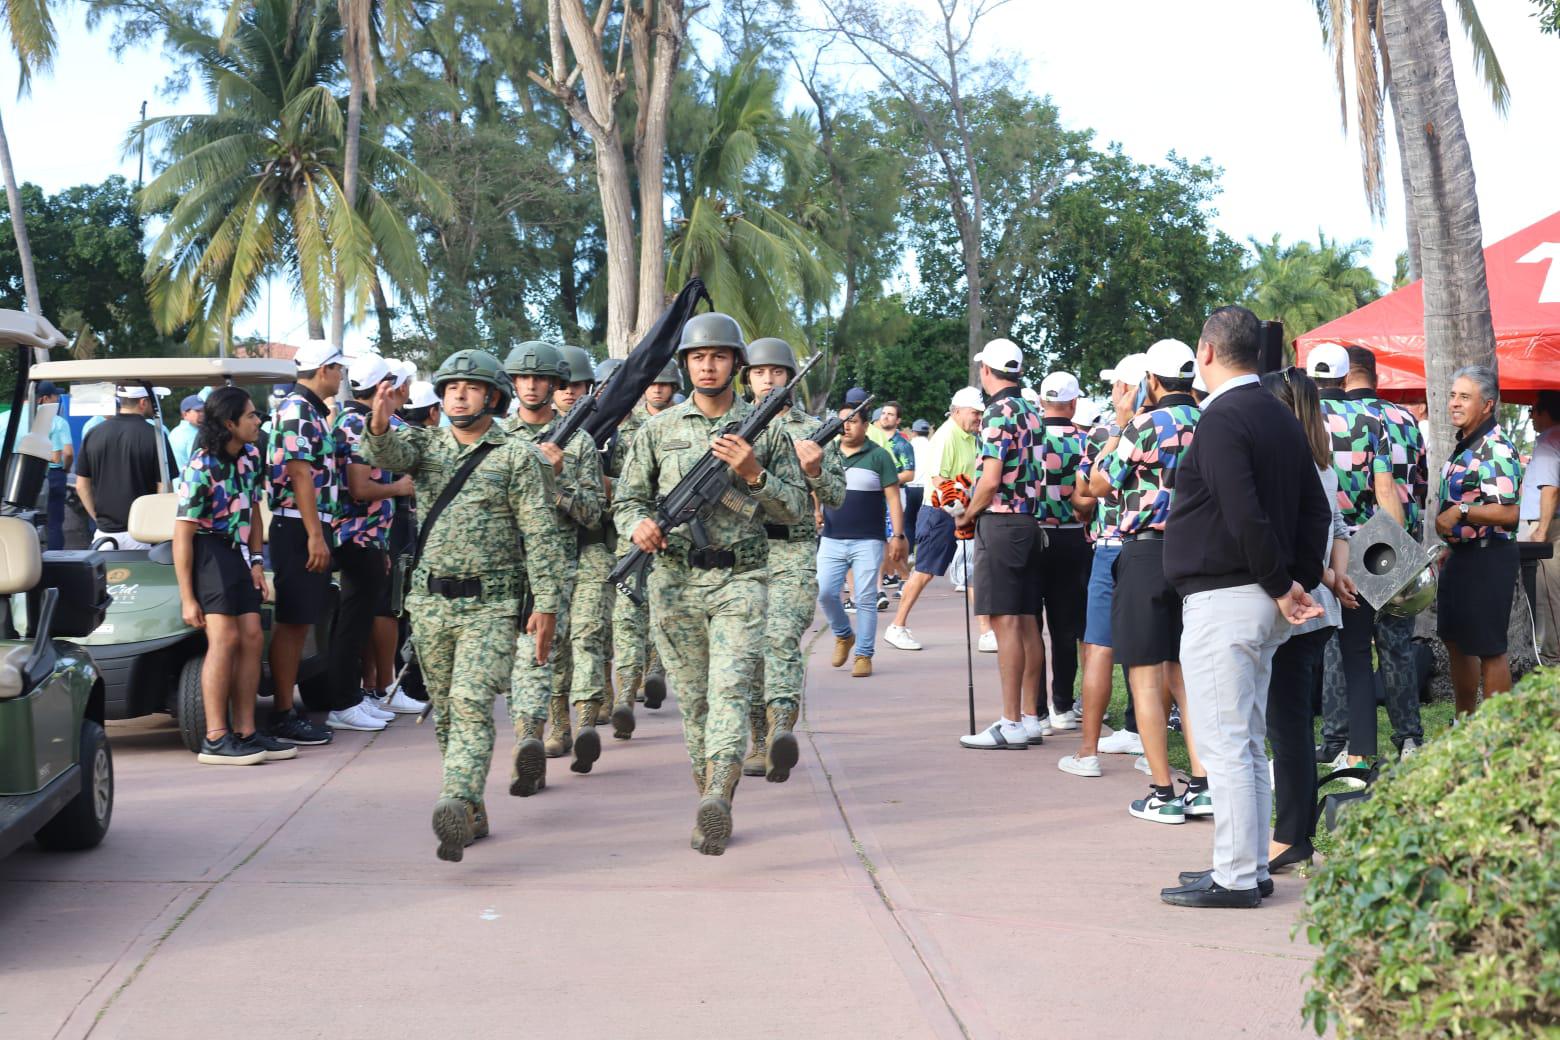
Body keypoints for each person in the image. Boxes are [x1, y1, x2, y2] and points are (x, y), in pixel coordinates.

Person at [615, 312, 812, 854]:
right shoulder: (657, 430)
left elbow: (795, 510)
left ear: (735, 365)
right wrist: (638, 525)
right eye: (698, 358)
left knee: (729, 690)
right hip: (674, 579)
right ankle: (708, 792)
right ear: (685, 365)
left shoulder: (767, 431)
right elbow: (627, 498)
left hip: (741, 578)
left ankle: (720, 794)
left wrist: (753, 475)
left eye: (719, 357)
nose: (707, 365)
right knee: (696, 701)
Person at [364, 349, 566, 861]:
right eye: (451, 386)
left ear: (492, 397)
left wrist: (546, 605)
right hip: (430, 605)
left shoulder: (516, 455)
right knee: (450, 714)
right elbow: (387, 455)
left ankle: (454, 799)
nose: (458, 393)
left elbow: (541, 533)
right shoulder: (426, 446)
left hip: (493, 605)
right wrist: (380, 423)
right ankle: (472, 807)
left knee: (474, 703)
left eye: (471, 387)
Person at [1160, 306, 1330, 908]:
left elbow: (1243, 511)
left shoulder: (1225, 417)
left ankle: (1235, 874)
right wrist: (1296, 580)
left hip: (1230, 597)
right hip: (1258, 597)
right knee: (1247, 739)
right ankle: (1250, 866)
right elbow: (1318, 511)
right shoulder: (1280, 416)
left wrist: (1285, 584)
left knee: (1228, 742)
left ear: (1206, 352)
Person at [1088, 338, 1211, 820]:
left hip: (1144, 554)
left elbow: (1100, 485)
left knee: (1144, 677)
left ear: (1151, 382)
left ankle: (1162, 793)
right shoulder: (1210, 420)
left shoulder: (1143, 424)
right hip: (1198, 556)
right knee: (1187, 678)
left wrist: (1120, 429)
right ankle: (1202, 783)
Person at [1258, 367, 1351, 876]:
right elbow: (1335, 526)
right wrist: (1335, 578)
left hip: (1299, 608)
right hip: (1320, 607)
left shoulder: (1292, 465)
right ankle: (1293, 833)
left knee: (1287, 727)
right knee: (1290, 724)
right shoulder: (1322, 463)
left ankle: (1292, 836)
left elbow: (1300, 536)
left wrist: (1323, 576)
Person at [174, 386, 297, 766]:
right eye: (250, 416)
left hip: (239, 554)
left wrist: (258, 562)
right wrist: (187, 597)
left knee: (252, 636)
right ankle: (215, 737)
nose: (257, 421)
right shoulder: (201, 466)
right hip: (210, 552)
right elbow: (183, 534)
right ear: (230, 423)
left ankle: (246, 731)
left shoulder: (249, 457)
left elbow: (253, 512)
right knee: (224, 639)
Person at [503, 340, 604, 785]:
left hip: (559, 563)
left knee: (551, 650)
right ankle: (537, 733)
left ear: (554, 384)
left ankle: (548, 729)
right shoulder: (497, 436)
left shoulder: (578, 441)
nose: (530, 386)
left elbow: (594, 512)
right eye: (523, 378)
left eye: (539, 378)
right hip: (506, 564)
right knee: (525, 655)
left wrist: (558, 479)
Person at [743, 339, 844, 779]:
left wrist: (817, 471)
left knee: (780, 637)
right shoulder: (732, 426)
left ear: (790, 378)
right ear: (747, 378)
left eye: (776, 372)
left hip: (794, 548)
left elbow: (836, 496)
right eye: (759, 372)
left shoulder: (813, 429)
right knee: (746, 648)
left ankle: (781, 729)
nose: (768, 380)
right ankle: (758, 740)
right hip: (743, 551)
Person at [1308, 341, 1403, 770]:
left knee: (1304, 652)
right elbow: (1387, 495)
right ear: (1347, 379)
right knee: (1358, 653)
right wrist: (1398, 556)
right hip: (1365, 546)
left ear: (1311, 379)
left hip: (1313, 543)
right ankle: (1361, 754)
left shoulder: (1299, 419)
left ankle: (1316, 746)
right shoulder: (1371, 419)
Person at [1057, 354, 1148, 779]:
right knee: (1162, 655)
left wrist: (1116, 435)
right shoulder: (1187, 425)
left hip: (1114, 548)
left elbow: (1087, 491)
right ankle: (1148, 749)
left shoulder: (1108, 434)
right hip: (1161, 549)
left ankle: (1088, 752)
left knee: (1099, 649)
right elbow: (1081, 497)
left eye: (1116, 387)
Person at [958, 338, 1047, 750]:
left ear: (987, 371)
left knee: (1007, 622)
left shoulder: (997, 411)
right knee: (1027, 620)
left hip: (1002, 521)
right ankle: (1029, 717)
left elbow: (990, 479)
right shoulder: (1031, 408)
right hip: (1029, 522)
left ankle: (1011, 721)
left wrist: (968, 513)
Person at [1340, 346, 1427, 758]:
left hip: (1349, 543)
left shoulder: (1335, 419)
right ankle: (1409, 736)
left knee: (1344, 647)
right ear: (1374, 375)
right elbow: (1420, 485)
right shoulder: (1407, 419)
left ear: (1343, 375)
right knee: (1396, 644)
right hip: (1397, 541)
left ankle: (1340, 738)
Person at [327, 355, 419, 732]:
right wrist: (398, 487)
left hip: (370, 536)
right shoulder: (355, 423)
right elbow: (360, 487)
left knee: (361, 618)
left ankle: (357, 696)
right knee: (352, 623)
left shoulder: (358, 420)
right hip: (355, 536)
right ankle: (343, 701)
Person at [263, 340, 345, 747]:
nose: (342, 376)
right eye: (338, 368)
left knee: (299, 621)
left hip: (307, 524)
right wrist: (315, 534)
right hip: (298, 526)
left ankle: (285, 709)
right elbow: (299, 475)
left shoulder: (309, 409)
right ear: (325, 369)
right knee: (293, 622)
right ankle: (282, 712)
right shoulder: (298, 409)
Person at [1435, 365, 1523, 716]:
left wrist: (1461, 512)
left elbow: (1509, 513)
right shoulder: (1466, 445)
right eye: (1453, 395)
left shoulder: (1496, 449)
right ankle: (1465, 723)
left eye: (1465, 397)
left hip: (1489, 558)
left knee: (1489, 648)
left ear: (1487, 405)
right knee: (1456, 641)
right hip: (1462, 556)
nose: (1454, 403)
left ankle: (1494, 734)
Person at [885, 387, 982, 652]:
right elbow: (938, 478)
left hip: (960, 511)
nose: (978, 418)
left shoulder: (969, 436)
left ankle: (987, 631)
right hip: (940, 513)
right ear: (958, 410)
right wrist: (960, 511)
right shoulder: (946, 435)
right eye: (975, 413)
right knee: (924, 572)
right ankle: (897, 626)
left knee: (974, 571)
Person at [609, 359, 679, 716]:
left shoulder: (683, 422)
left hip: (676, 532)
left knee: (663, 611)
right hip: (634, 528)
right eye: (652, 383)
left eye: (665, 384)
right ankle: (625, 694)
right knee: (627, 613)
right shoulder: (626, 426)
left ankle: (656, 669)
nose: (657, 389)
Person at [816, 400, 904, 679]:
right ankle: (843, 634)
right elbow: (815, 484)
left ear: (866, 426)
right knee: (825, 592)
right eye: (842, 421)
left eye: (853, 420)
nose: (846, 426)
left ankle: (864, 654)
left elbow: (893, 498)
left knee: (865, 597)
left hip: (868, 539)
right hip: (831, 538)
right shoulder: (827, 453)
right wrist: (815, 510)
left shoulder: (879, 456)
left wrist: (897, 536)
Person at [1033, 370, 1090, 731]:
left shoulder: (1029, 439)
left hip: (1033, 536)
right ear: (1072, 404)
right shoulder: (1085, 440)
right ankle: (1063, 706)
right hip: (1073, 537)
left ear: (1041, 402)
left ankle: (1034, 709)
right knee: (1066, 628)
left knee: (1030, 627)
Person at [76, 386, 177, 551]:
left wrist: (98, 519)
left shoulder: (94, 433)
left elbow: (81, 485)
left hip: (104, 535)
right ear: (143, 402)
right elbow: (164, 487)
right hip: (143, 534)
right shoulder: (155, 436)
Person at [1519, 391, 1560, 666]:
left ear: (1546, 412)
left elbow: (1551, 488)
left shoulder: (1548, 441)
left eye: (1534, 410)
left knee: (1546, 600)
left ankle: (1551, 660)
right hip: (1550, 523)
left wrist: (1541, 531)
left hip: (1544, 526)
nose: (1531, 415)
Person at [34, 381, 73, 550]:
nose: (57, 400)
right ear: (44, 399)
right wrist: (67, 468)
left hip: (19, 477)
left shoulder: (8, 418)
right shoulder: (58, 422)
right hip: (53, 476)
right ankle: (55, 561)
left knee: (24, 520)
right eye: (55, 396)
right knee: (54, 523)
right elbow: (68, 453)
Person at [904, 418, 935, 553]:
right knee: (923, 522)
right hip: (925, 489)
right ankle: (924, 552)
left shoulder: (908, 445)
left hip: (909, 487)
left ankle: (910, 552)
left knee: (909, 521)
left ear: (914, 432)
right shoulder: (932, 446)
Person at [169, 395, 204, 471]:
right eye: (198, 411)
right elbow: (198, 463)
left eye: (204, 410)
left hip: (177, 480)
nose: (203, 414)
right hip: (190, 481)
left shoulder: (174, 431)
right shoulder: (193, 434)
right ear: (185, 414)